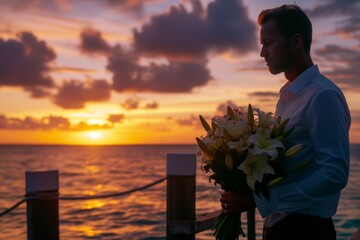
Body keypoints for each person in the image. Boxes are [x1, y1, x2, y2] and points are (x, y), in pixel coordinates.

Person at [220, 4, 351, 240]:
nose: (262, 53)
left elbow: (334, 173)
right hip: (280, 227)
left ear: (296, 41)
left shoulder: (323, 96)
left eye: (268, 43)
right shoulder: (289, 97)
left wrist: (260, 199)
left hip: (306, 231)